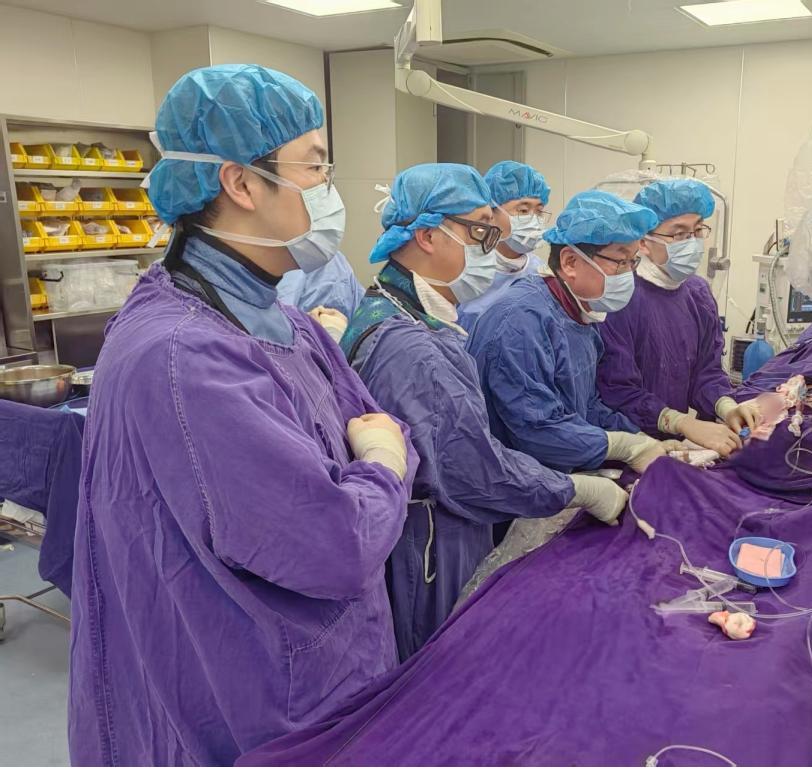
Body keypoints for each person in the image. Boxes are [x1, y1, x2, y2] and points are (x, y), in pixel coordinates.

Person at [68, 65, 417, 766]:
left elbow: (373, 419)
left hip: (327, 672)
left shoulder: (285, 321)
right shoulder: (184, 355)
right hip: (252, 705)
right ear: (241, 183)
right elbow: (336, 541)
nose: (327, 187)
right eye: (314, 165)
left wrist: (377, 453)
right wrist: (381, 464)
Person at [340, 164, 629, 661]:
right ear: (428, 235)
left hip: (439, 532)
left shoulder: (402, 311)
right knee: (441, 671)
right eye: (480, 231)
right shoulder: (412, 348)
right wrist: (574, 489)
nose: (491, 248)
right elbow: (473, 471)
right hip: (430, 548)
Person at [467, 190, 686, 474]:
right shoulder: (520, 323)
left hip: (554, 473)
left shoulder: (579, 315)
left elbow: (586, 407)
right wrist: (622, 447)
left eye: (633, 262)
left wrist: (640, 439)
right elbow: (537, 431)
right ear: (570, 262)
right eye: (620, 262)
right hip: (512, 485)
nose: (628, 274)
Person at [597, 178, 758, 456]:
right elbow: (617, 390)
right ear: (644, 242)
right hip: (627, 446)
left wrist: (726, 406)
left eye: (697, 230)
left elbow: (706, 372)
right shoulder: (620, 298)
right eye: (680, 234)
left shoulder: (698, 294)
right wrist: (681, 423)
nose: (693, 243)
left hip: (677, 446)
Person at [457, 160, 549, 333]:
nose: (533, 220)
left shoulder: (541, 273)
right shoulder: (468, 270)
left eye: (539, 211)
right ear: (492, 213)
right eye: (523, 211)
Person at [278, 249, 366, 341]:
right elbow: (278, 327)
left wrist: (342, 330)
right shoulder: (286, 261)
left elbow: (363, 319)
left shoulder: (337, 262)